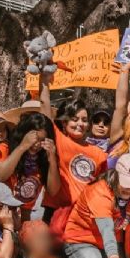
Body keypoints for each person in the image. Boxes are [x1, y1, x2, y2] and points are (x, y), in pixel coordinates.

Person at [39, 78, 109, 212]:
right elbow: (44, 110)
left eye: (84, 120)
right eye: (74, 119)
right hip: (56, 211)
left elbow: (101, 187)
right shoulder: (58, 140)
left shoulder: (99, 153)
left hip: (83, 216)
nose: (80, 124)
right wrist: (44, 78)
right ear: (64, 123)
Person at [0, 113, 60, 219]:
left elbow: (53, 191)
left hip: (24, 218)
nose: (37, 144)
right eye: (35, 139)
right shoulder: (5, 149)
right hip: (0, 215)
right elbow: (0, 176)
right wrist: (22, 146)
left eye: (42, 141)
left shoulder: (44, 158)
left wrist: (52, 161)